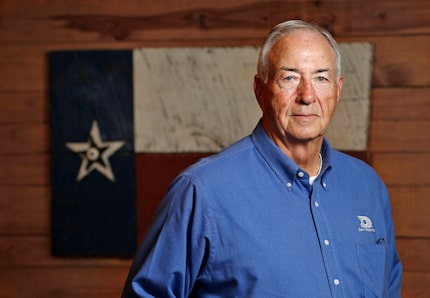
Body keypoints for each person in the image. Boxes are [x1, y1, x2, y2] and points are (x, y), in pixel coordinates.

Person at [122, 20, 402, 297]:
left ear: (337, 90)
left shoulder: (368, 187)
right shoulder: (203, 191)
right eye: (289, 77)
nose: (307, 95)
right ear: (260, 89)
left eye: (321, 77)